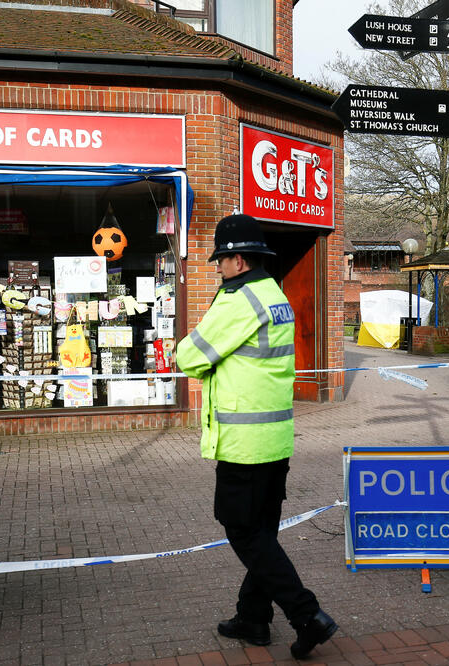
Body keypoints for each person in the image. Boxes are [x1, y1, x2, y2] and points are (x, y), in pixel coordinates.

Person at [176, 214, 337, 659]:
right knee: (261, 531)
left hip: (243, 443)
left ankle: (307, 615)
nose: (218, 267)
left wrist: (191, 341)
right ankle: (253, 618)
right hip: (273, 439)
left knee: (244, 532)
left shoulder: (239, 301)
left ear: (239, 260)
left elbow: (190, 357)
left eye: (221, 260)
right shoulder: (273, 294)